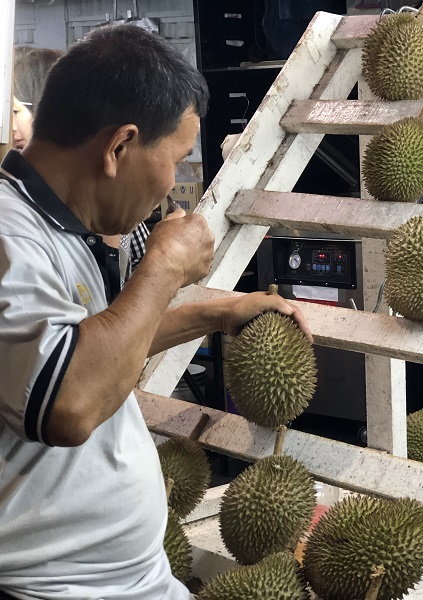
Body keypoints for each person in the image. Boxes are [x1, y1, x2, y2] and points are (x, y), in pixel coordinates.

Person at [0, 25, 312, 599]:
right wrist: (163, 268)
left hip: (131, 576)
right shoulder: (9, 237)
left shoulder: (65, 226)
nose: (174, 184)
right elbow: (67, 403)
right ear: (118, 147)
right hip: (53, 587)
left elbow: (93, 349)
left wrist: (214, 316)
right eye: (176, 160)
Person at [11, 45, 148, 282]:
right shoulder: (17, 208)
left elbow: (141, 271)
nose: (10, 128)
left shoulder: (116, 201)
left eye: (15, 111)